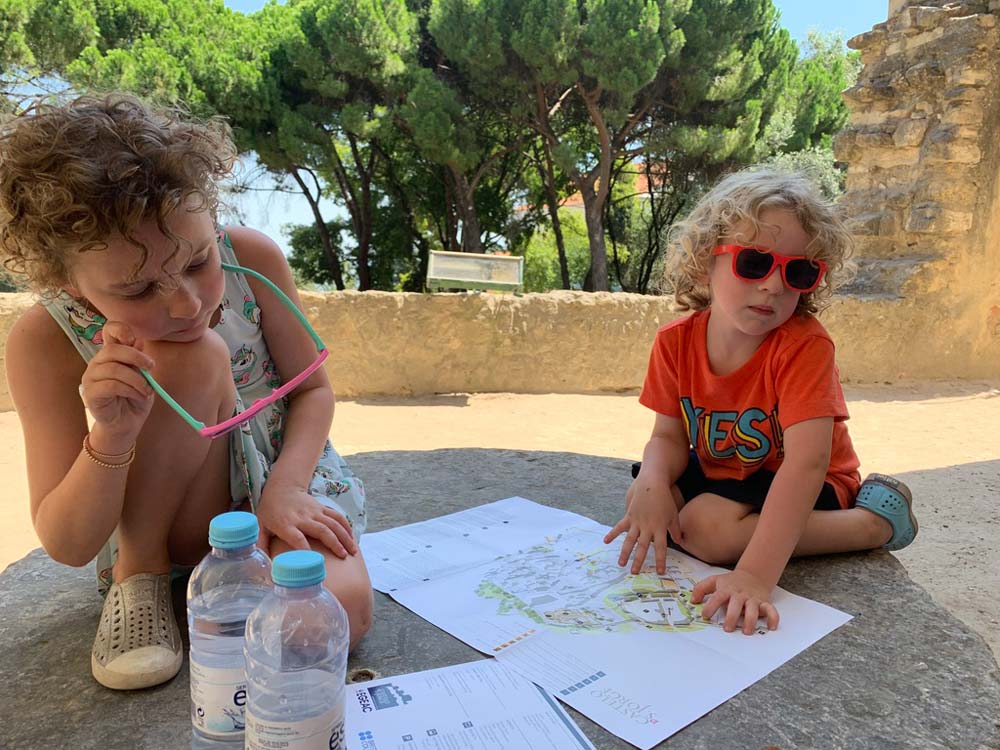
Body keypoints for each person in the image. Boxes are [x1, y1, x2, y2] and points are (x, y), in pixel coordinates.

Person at [0, 93, 372, 690]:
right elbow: (67, 542)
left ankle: (236, 591)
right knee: (197, 356)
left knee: (329, 623)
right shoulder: (43, 340)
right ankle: (140, 575)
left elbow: (314, 392)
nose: (187, 303)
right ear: (68, 280)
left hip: (280, 487)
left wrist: (287, 489)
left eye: (198, 261)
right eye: (139, 289)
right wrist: (113, 431)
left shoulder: (252, 257)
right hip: (175, 520)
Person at [604, 169, 917, 635]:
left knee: (706, 531)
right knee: (647, 500)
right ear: (702, 263)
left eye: (798, 271)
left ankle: (871, 524)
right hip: (729, 468)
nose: (773, 285)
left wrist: (754, 576)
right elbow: (667, 437)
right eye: (753, 263)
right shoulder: (675, 342)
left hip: (810, 481)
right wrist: (651, 478)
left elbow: (807, 465)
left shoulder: (803, 346)